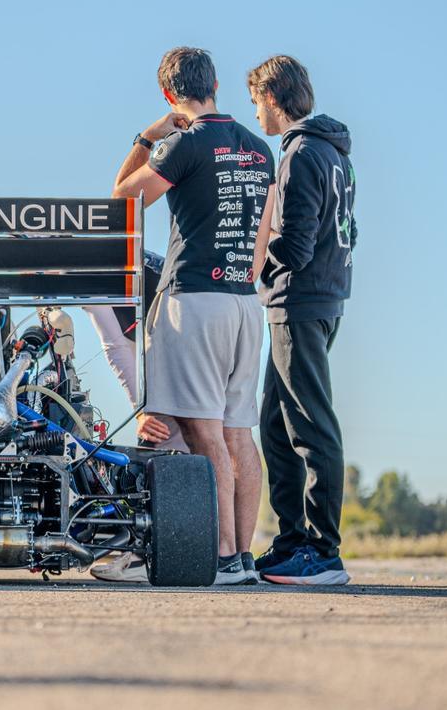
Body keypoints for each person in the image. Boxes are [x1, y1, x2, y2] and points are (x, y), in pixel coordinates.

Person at [111, 47, 275, 585]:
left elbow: (122, 202)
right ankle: (243, 556)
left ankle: (224, 558)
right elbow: (261, 239)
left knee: (204, 435)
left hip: (196, 301)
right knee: (237, 434)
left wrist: (146, 137)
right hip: (245, 302)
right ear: (217, 84)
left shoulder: (183, 143)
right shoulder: (258, 148)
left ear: (169, 95)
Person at [248, 55, 356, 586]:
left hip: (300, 302)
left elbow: (294, 243)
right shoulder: (334, 152)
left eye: (256, 104)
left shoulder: (300, 153)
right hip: (322, 299)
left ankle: (322, 551)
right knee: (275, 424)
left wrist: (253, 251)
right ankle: (293, 539)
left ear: (272, 98)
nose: (258, 117)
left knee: (310, 425)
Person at [87, 253, 188, 583]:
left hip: (180, 338)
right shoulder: (124, 253)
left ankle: (144, 555)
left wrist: (141, 408)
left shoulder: (85, 270)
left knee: (158, 446)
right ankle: (230, 553)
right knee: (221, 438)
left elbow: (116, 345)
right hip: (218, 322)